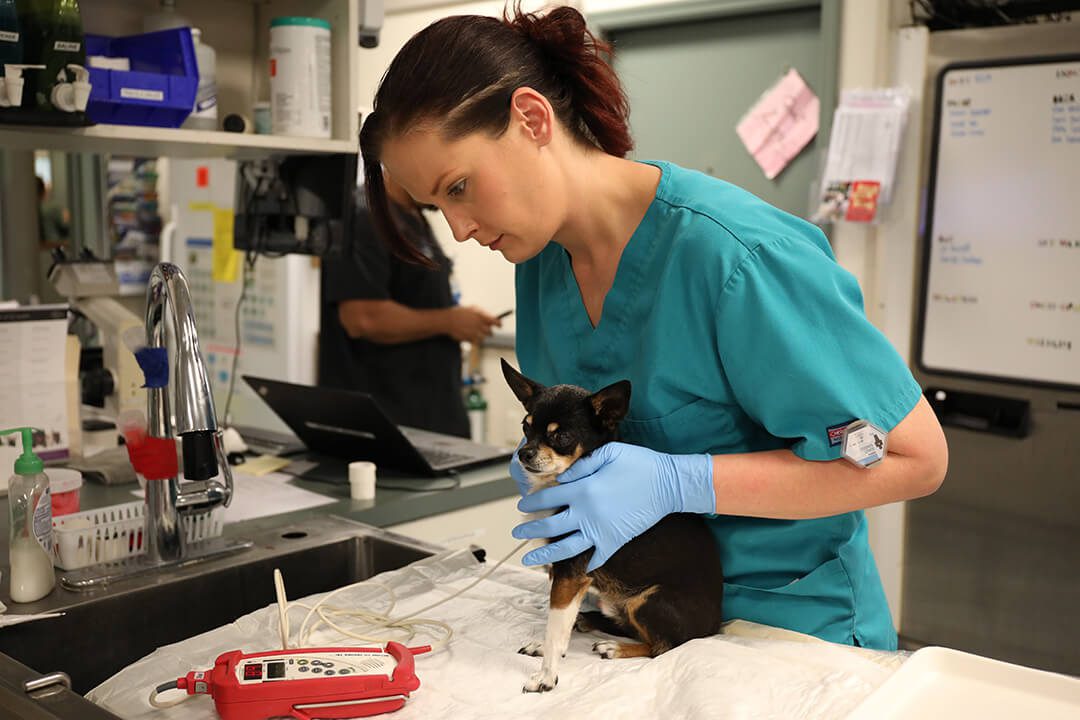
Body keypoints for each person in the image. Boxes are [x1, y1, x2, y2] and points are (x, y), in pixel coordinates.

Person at [357, 5, 948, 650]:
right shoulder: (542, 259)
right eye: (437, 205)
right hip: (642, 626)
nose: (461, 229)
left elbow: (914, 459)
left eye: (461, 186)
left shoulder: (736, 257)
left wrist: (682, 481)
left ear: (531, 119)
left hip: (787, 634)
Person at [318, 172, 501, 438]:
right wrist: (450, 321)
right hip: (387, 425)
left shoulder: (414, 216)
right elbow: (363, 318)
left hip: (430, 416)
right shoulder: (365, 215)